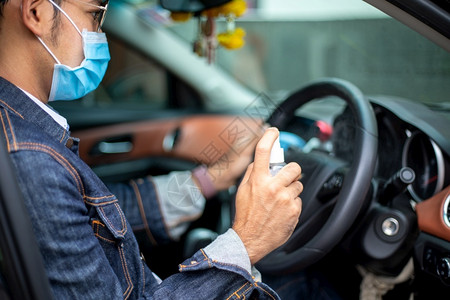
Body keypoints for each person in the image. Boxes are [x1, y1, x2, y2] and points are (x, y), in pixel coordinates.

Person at [0, 0, 307, 298]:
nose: (99, 34)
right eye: (95, 15)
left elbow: (106, 216)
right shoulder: (30, 160)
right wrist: (247, 241)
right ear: (36, 11)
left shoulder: (24, 134)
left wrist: (213, 178)